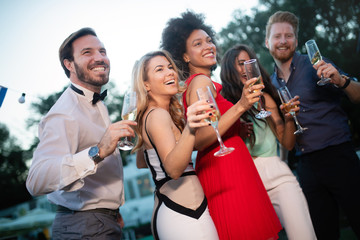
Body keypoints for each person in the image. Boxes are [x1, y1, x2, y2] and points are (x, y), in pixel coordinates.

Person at [161, 10, 282, 240]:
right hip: (227, 173)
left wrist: (237, 128)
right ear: (185, 56)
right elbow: (199, 138)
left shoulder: (202, 82)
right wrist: (241, 106)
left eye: (209, 40)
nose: (208, 45)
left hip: (230, 168)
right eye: (198, 43)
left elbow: (216, 126)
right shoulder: (200, 81)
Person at [26, 27, 136, 239]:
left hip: (101, 221)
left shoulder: (96, 103)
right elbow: (35, 181)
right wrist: (98, 151)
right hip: (83, 227)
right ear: (69, 64)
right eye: (87, 52)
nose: (99, 58)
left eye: (102, 51)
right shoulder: (63, 113)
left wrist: (111, 210)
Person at [265, 11, 360, 240]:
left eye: (289, 36)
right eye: (277, 36)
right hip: (307, 166)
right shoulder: (270, 83)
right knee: (323, 233)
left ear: (296, 41)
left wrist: (341, 80)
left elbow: (357, 96)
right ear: (267, 42)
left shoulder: (316, 64)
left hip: (339, 156)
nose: (283, 41)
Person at [220, 44, 317, 239]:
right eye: (241, 63)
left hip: (277, 174)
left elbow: (288, 143)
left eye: (249, 62)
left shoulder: (264, 98)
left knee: (304, 235)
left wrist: (289, 118)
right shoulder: (224, 105)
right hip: (245, 182)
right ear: (230, 69)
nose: (247, 68)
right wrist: (235, 129)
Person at [132, 50, 219, 240]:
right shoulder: (157, 115)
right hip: (184, 214)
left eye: (170, 67)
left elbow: (142, 161)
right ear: (146, 84)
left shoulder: (155, 115)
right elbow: (173, 170)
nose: (170, 72)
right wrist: (190, 127)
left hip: (181, 211)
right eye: (160, 69)